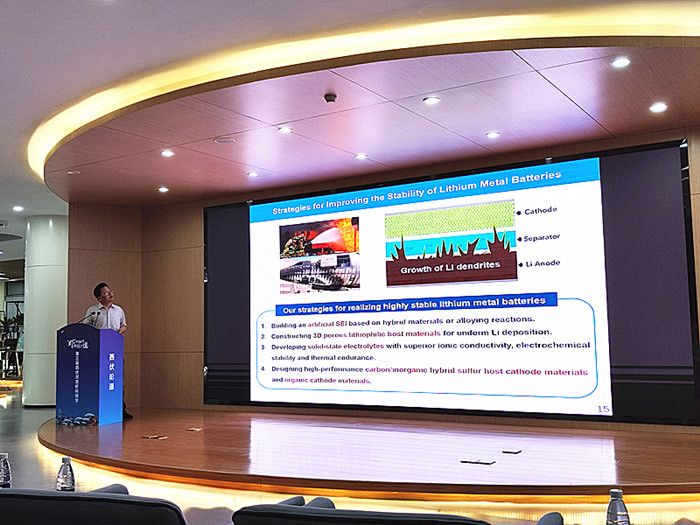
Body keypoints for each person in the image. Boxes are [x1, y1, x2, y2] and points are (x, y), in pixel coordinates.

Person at [83, 282, 132, 419]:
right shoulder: (93, 311)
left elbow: (124, 325)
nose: (110, 294)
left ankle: (120, 409)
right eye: (106, 293)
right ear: (99, 298)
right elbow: (86, 328)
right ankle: (97, 408)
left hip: (115, 350)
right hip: (98, 351)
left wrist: (120, 331)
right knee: (99, 380)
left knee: (117, 380)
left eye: (111, 291)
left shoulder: (118, 310)